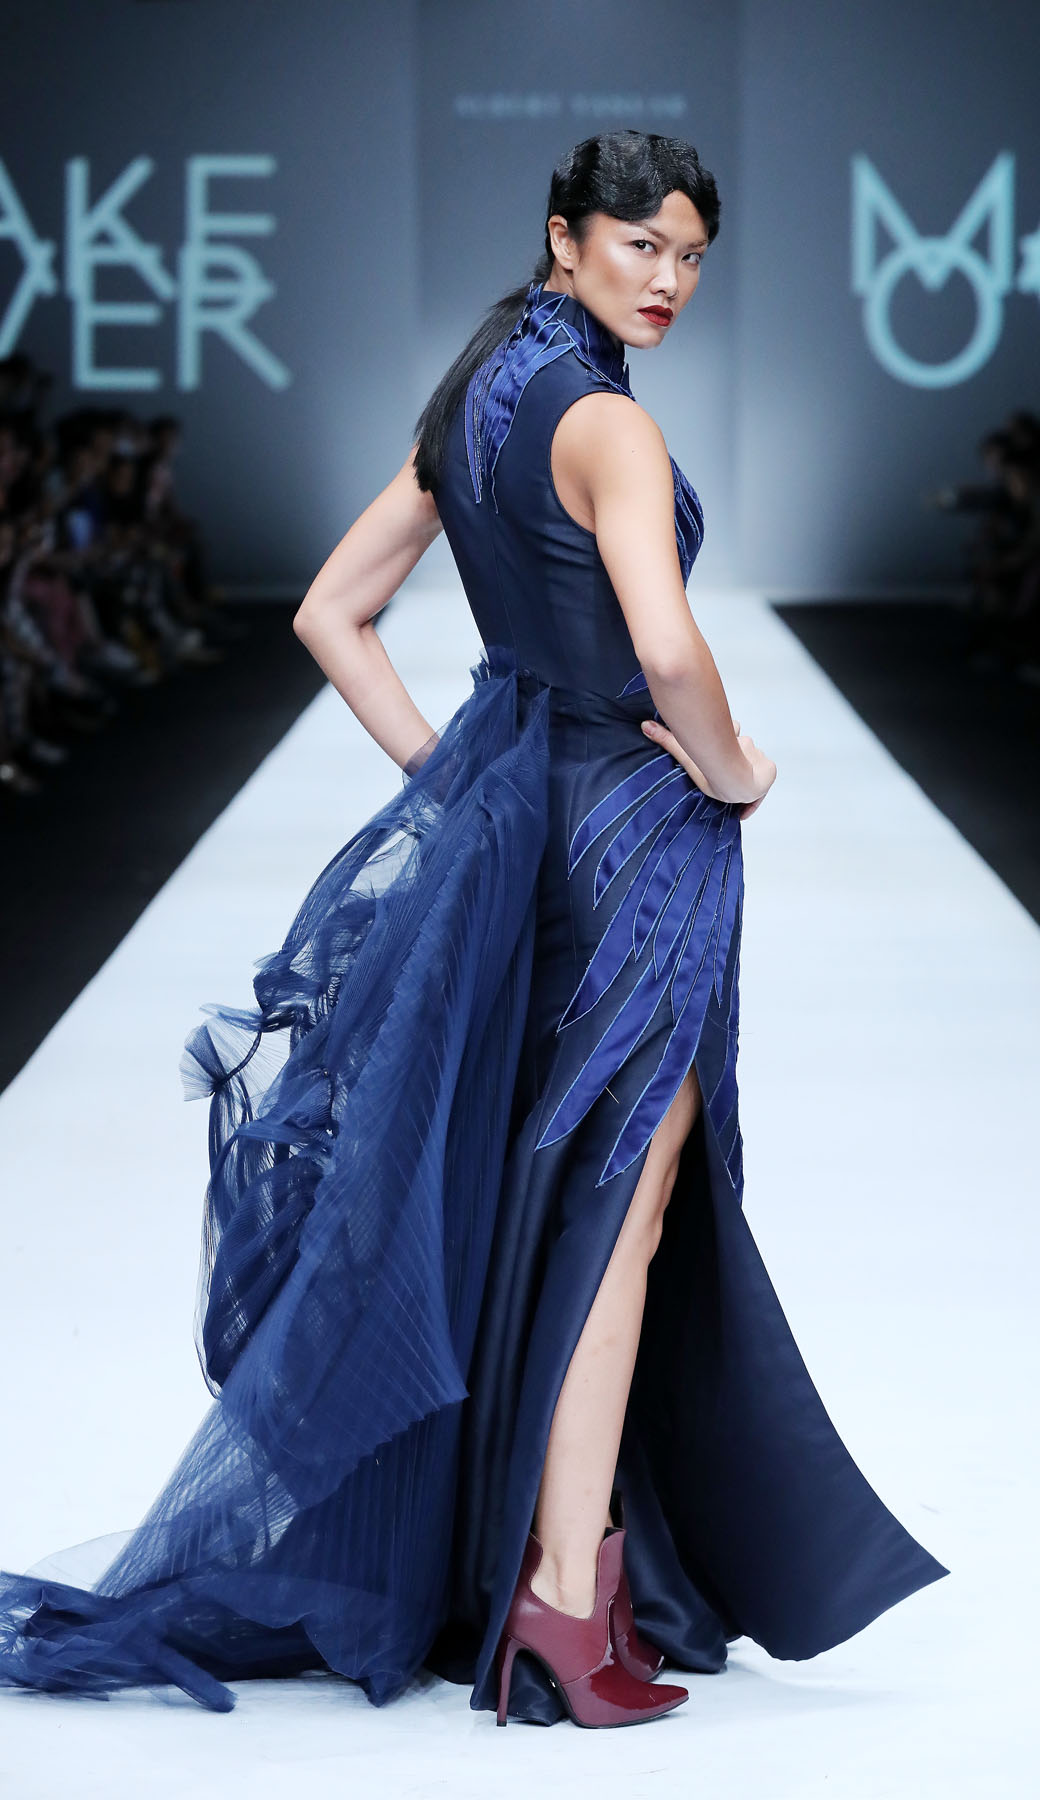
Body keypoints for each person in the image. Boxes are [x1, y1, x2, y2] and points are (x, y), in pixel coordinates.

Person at [0, 129, 948, 1728]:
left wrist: (461, 786)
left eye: (693, 256)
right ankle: (565, 1602)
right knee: (625, 1204)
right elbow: (665, 651)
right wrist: (737, 768)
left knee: (555, 1190)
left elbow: (330, 614)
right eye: (642, 245)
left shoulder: (478, 399)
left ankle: (551, 1569)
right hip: (638, 845)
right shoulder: (611, 430)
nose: (671, 280)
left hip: (532, 822)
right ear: (565, 236)